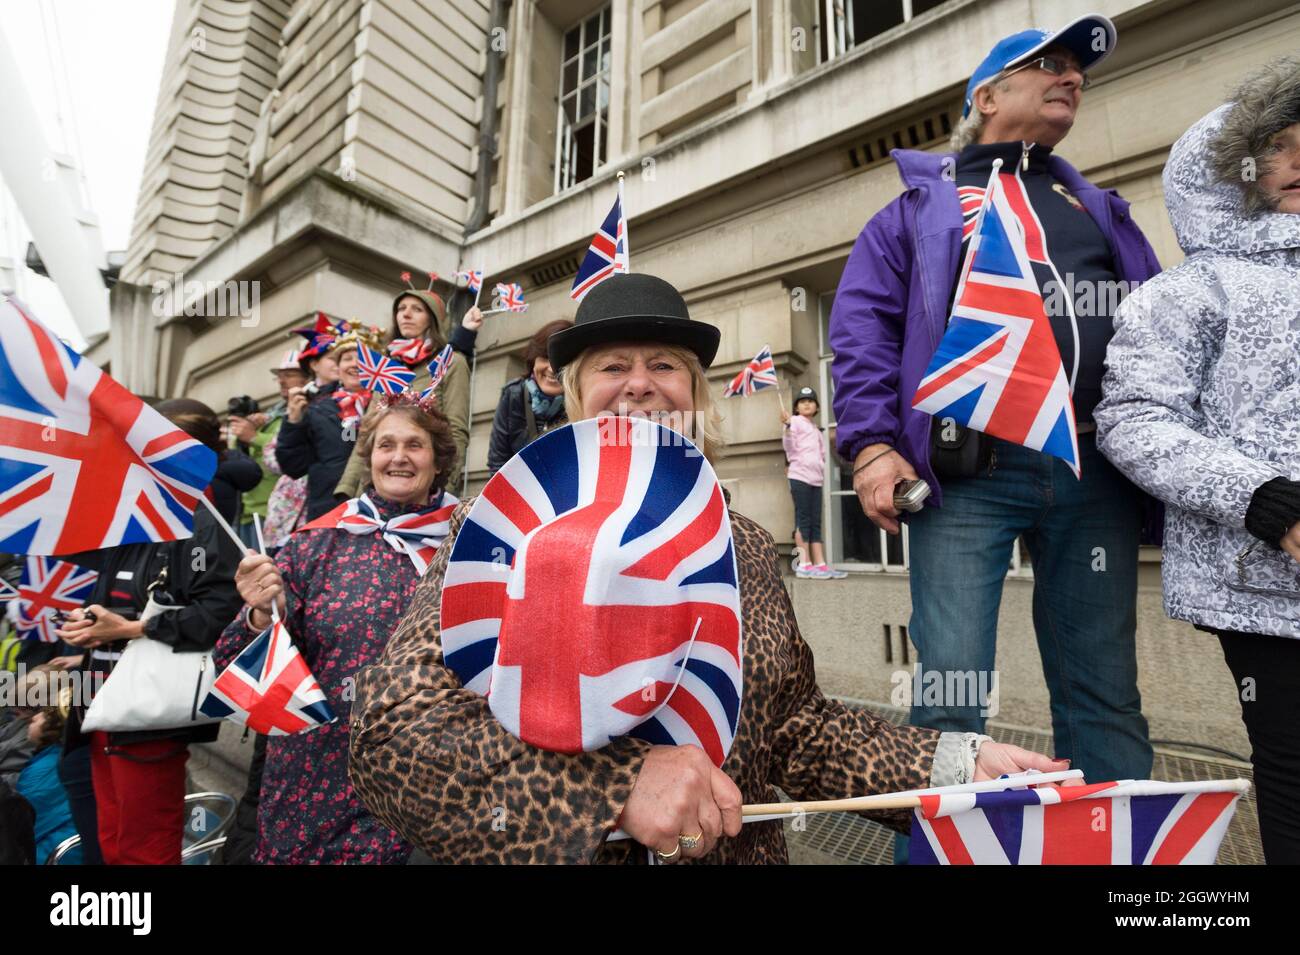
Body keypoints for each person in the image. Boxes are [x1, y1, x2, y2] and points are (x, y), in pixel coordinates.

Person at [348, 273, 1068, 864]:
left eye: (664, 365)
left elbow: (795, 729)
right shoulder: (502, 526)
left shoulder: (745, 544)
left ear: (694, 394)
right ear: (573, 396)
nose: (639, 384)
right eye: (611, 366)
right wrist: (612, 787)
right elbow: (392, 741)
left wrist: (953, 767)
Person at [828, 14, 1161, 795]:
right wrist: (873, 446)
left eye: (1079, 72)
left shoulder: (1099, 209)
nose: (1072, 77)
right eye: (1050, 64)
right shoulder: (914, 210)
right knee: (951, 685)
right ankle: (944, 842)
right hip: (966, 471)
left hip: (1092, 470)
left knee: (1104, 684)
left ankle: (1122, 856)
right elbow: (862, 333)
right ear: (987, 94)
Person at [1094, 56, 1300, 864]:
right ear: (1233, 166)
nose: (1298, 162)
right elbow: (1134, 418)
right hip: (1261, 579)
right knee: (1292, 768)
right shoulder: (1188, 291)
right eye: (1278, 145)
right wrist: (1266, 499)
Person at [215, 396, 459, 864]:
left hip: (424, 780)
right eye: (386, 445)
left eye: (415, 445)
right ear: (369, 459)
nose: (400, 456)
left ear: (438, 459)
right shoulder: (317, 542)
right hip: (313, 779)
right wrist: (262, 616)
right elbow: (235, 669)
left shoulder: (470, 546)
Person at [54, 401, 244, 865]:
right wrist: (88, 626)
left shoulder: (201, 520)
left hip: (148, 715)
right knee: (114, 842)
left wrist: (137, 627)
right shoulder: (135, 519)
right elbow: (110, 603)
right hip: (99, 707)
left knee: (146, 851)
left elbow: (220, 614)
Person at [333, 281, 476, 498]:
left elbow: (456, 429)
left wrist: (446, 486)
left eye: (417, 309)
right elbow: (367, 433)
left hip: (424, 486)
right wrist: (347, 488)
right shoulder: (386, 367)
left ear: (433, 319)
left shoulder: (452, 363)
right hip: (376, 487)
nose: (406, 315)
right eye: (401, 309)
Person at [276, 323, 383, 520]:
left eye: (362, 358)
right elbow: (293, 466)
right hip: (330, 510)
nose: (354, 364)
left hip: (380, 507)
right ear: (339, 368)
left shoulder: (392, 405)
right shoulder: (317, 408)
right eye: (347, 359)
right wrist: (293, 422)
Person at [231, 351, 308, 548]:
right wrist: (248, 434)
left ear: (307, 375)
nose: (282, 381)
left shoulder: (305, 411)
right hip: (249, 512)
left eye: (289, 375)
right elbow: (237, 454)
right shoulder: (272, 415)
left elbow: (288, 458)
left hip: (278, 514)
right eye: (279, 376)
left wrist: (255, 437)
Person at [486, 319, 572, 474]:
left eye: (561, 360)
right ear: (533, 360)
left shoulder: (582, 401)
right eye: (546, 357)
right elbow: (497, 463)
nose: (552, 369)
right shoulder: (513, 395)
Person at [780, 386, 844, 579]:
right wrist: (788, 426)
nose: (807, 403)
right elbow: (788, 445)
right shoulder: (795, 422)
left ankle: (820, 564)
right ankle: (804, 564)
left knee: (816, 522)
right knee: (804, 519)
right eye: (802, 401)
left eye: (810, 401)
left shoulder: (816, 429)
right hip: (800, 476)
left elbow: (823, 454)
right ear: (797, 408)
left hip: (816, 479)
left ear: (816, 407)